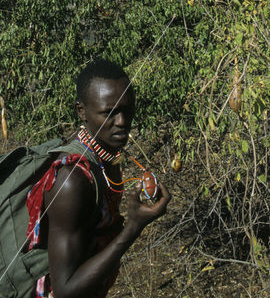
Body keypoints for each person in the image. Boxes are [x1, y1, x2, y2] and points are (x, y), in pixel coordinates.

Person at [25, 58, 171, 298]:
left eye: (127, 109)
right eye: (109, 113)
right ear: (81, 111)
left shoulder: (104, 157)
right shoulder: (73, 180)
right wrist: (133, 228)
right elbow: (65, 290)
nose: (122, 122)